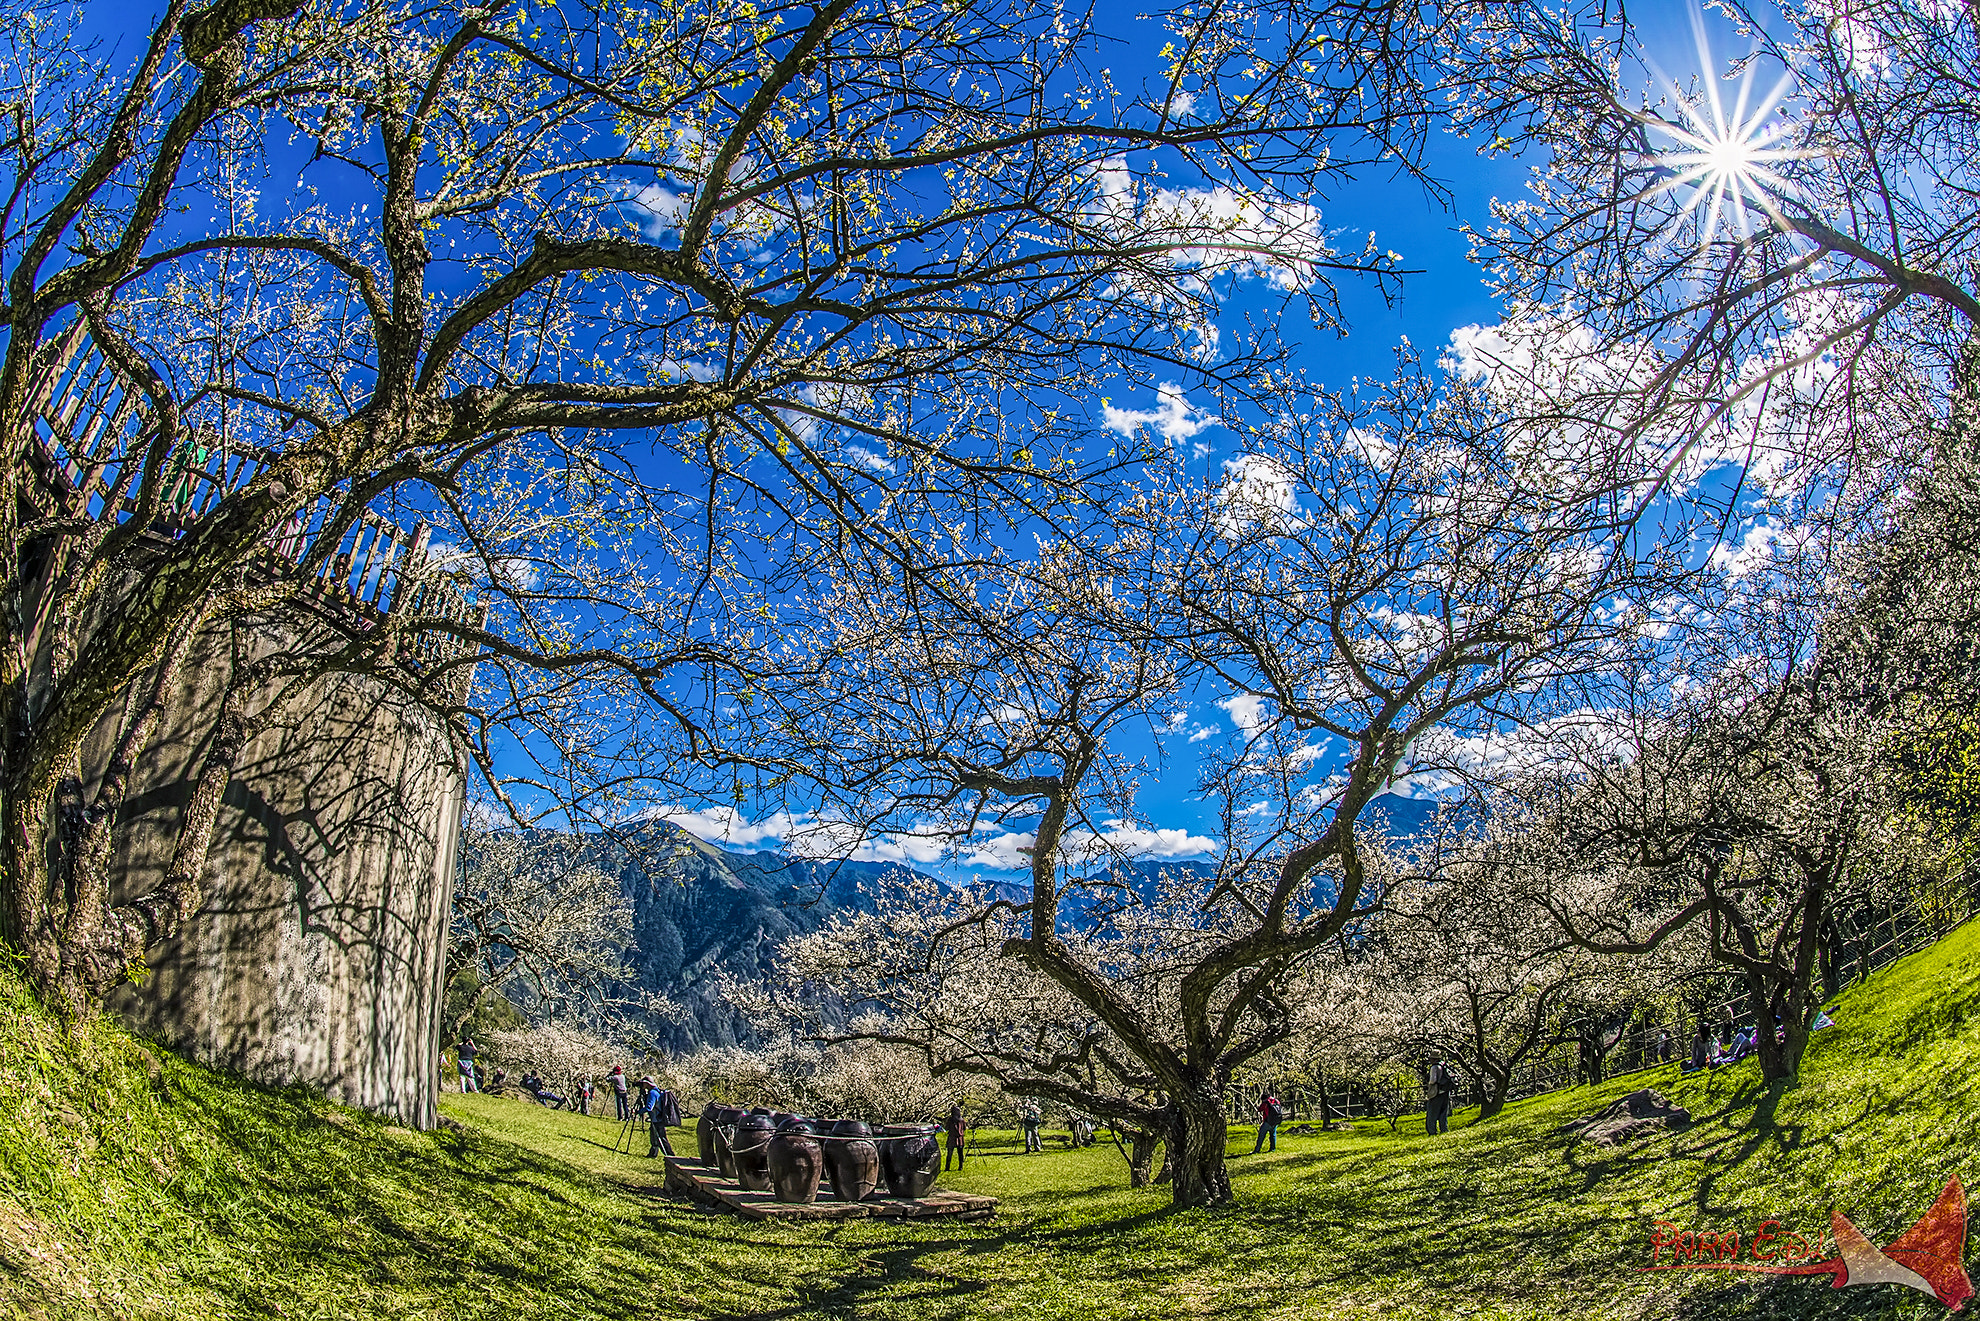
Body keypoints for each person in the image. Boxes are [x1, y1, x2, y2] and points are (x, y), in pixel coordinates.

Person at [646, 1084, 682, 1158]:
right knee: (655, 1136)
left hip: (656, 1118)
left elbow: (649, 1107)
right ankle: (653, 1153)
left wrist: (639, 1111)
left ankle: (670, 1155)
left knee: (661, 1138)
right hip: (658, 1118)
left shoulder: (652, 1093)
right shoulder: (657, 1092)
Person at [1423, 1060, 1452, 1136]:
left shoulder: (1434, 1067)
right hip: (1445, 1091)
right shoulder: (1444, 1065)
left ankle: (1432, 1131)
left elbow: (1433, 1080)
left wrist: (1428, 1083)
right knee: (1443, 1112)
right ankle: (1444, 1129)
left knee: (1432, 1113)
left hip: (1436, 1092)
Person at [944, 1103, 967, 1171]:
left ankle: (947, 1167)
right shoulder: (962, 1120)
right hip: (959, 1138)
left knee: (950, 1153)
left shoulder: (950, 1120)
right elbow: (964, 1128)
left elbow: (946, 1127)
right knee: (960, 1153)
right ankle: (960, 1166)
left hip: (952, 1138)